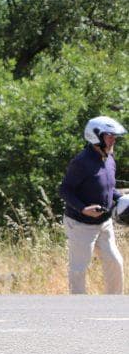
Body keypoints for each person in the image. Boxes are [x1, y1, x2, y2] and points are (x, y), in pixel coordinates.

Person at [59, 116, 126, 294]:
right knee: (79, 269)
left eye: (114, 136)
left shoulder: (109, 158)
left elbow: (108, 188)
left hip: (104, 223)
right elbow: (65, 190)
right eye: (110, 136)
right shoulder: (81, 162)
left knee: (115, 262)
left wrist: (121, 198)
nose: (114, 140)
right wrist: (83, 209)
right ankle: (79, 309)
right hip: (80, 224)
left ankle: (112, 305)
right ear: (96, 136)